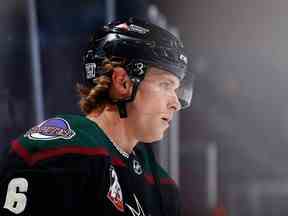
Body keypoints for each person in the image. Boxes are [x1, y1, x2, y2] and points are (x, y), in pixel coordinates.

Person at [0, 17, 194, 216]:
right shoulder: (64, 150)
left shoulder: (160, 184)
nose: (175, 103)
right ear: (123, 83)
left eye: (176, 89)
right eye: (165, 85)